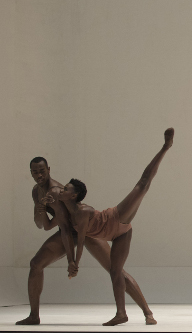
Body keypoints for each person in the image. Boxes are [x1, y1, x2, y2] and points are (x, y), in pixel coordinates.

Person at [16, 157, 155, 326]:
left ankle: (147, 312)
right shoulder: (36, 192)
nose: (39, 175)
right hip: (67, 231)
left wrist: (71, 261)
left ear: (49, 170)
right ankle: (34, 316)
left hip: (85, 231)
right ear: (30, 172)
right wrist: (39, 210)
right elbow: (43, 225)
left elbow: (67, 228)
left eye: (42, 171)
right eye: (35, 172)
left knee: (115, 270)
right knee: (35, 264)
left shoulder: (54, 191)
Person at [55, 128, 173, 326]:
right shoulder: (65, 212)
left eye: (65, 189)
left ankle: (165, 147)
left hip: (116, 219)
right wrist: (43, 206)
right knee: (116, 272)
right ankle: (127, 314)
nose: (62, 190)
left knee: (142, 185)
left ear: (74, 195)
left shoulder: (82, 211)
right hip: (117, 236)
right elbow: (54, 226)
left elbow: (82, 239)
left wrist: (75, 263)